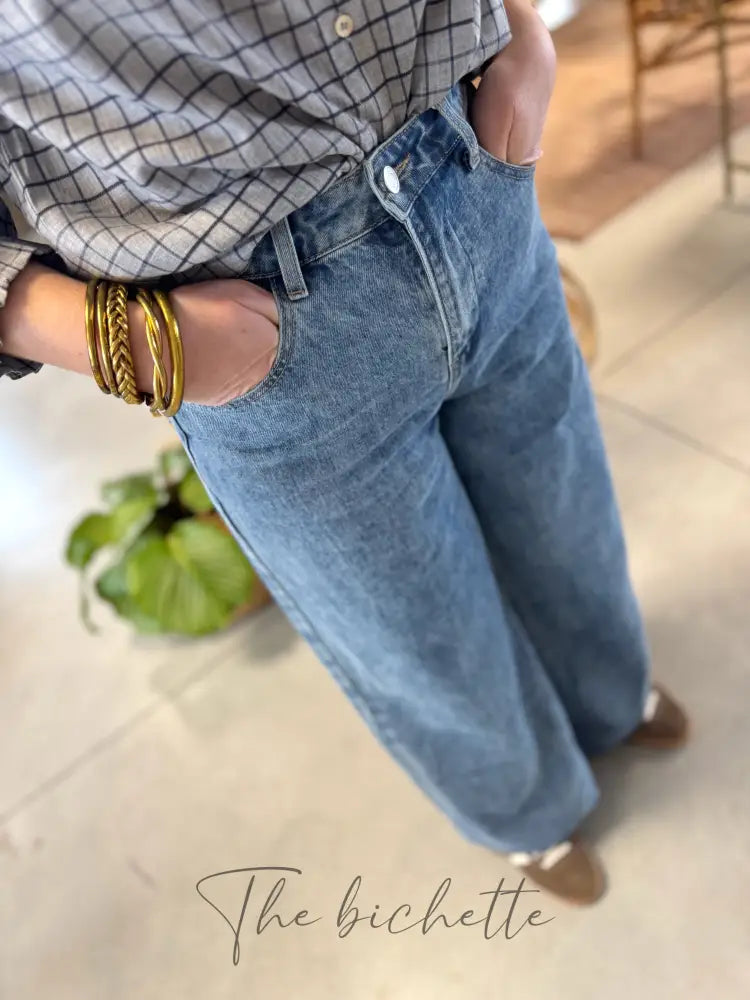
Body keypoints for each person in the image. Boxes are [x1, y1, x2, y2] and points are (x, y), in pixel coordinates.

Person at [0, 0, 687, 904]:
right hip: (245, 305)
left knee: (563, 501)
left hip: (466, 164)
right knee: (413, 624)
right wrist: (131, 341)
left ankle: (609, 697)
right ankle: (528, 810)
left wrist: (523, 35)